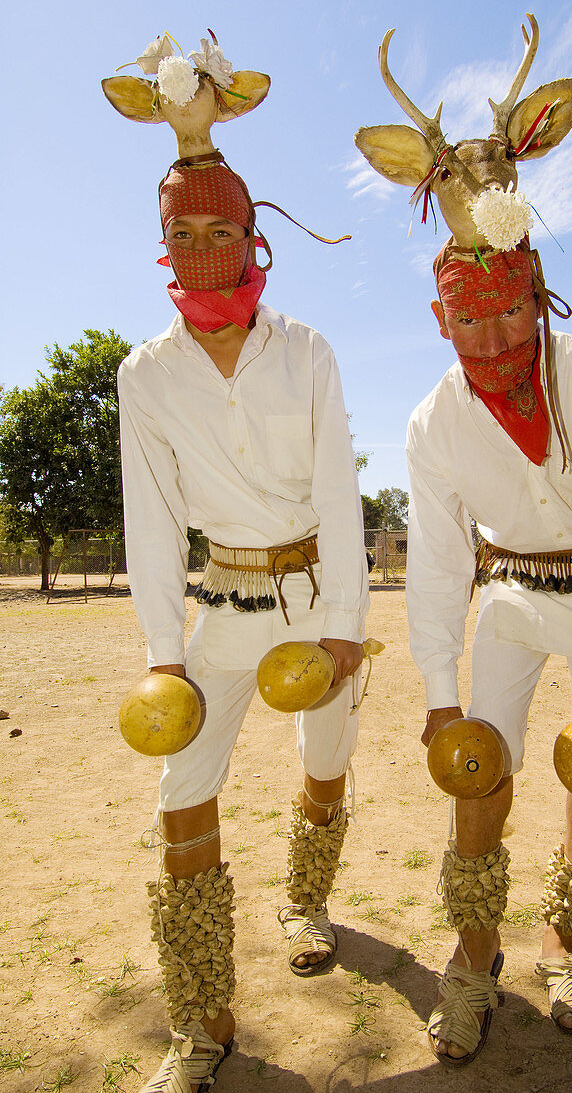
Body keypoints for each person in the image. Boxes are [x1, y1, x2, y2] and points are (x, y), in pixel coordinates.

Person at [117, 150, 368, 1088]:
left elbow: (342, 494)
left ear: (253, 238)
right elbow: (149, 516)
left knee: (325, 760)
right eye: (182, 234)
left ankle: (306, 901)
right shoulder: (143, 376)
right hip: (220, 602)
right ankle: (200, 1020)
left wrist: (345, 623)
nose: (202, 251)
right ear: (163, 248)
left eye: (221, 231)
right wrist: (163, 654)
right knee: (182, 791)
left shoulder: (306, 350)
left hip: (314, 600)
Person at [405, 238, 572, 1065]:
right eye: (467, 317)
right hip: (513, 596)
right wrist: (439, 693)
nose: (491, 341)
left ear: (540, 291)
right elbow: (439, 560)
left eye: (511, 309)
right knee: (479, 763)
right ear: (438, 317)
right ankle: (475, 952)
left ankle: (562, 941)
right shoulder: (433, 421)